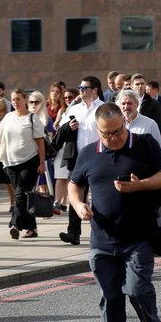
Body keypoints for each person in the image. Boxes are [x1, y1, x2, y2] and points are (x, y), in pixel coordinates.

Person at [68, 103, 161, 322]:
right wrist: (79, 205)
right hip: (101, 241)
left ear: (124, 124)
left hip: (138, 237)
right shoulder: (89, 153)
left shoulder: (145, 144)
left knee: (137, 289)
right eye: (106, 134)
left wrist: (140, 185)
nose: (112, 138)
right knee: (109, 299)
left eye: (117, 131)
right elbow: (74, 184)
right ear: (97, 131)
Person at [0, 89, 46, 239]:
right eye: (14, 99)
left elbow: (40, 142)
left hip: (29, 161)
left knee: (20, 194)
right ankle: (32, 228)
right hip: (10, 163)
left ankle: (15, 224)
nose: (16, 102)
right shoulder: (9, 117)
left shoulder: (32, 118)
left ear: (25, 100)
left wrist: (42, 163)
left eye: (18, 99)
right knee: (23, 195)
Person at [58, 76, 105, 246]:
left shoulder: (104, 108)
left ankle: (100, 232)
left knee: (99, 196)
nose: (80, 90)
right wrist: (68, 127)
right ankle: (73, 233)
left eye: (84, 87)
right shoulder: (75, 108)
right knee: (76, 195)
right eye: (80, 87)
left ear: (95, 90)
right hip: (78, 159)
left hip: (100, 158)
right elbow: (60, 130)